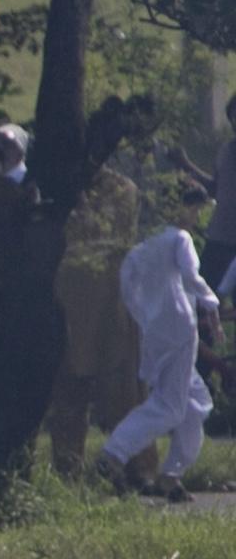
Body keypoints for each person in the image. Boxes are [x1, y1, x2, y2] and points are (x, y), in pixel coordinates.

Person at [99, 205, 222, 499]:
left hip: (155, 330)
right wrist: (212, 305)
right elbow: (191, 275)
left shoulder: (139, 250)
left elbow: (128, 292)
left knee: (196, 401)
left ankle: (172, 475)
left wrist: (146, 318)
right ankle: (114, 453)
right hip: (181, 326)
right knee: (170, 404)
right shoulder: (180, 238)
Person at [48, 145, 148, 480]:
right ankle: (67, 473)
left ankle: (137, 473)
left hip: (110, 303)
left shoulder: (122, 190)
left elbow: (105, 237)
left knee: (123, 392)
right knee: (67, 393)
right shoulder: (52, 187)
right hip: (64, 302)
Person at [201, 95, 236, 285]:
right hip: (220, 235)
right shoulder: (225, 150)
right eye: (234, 116)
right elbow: (215, 188)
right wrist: (185, 165)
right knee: (204, 292)